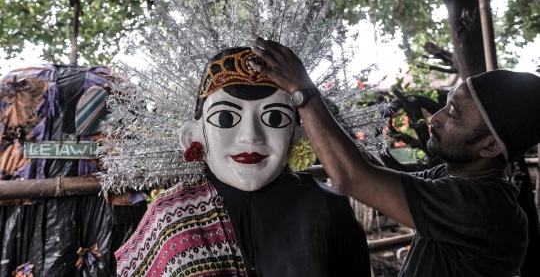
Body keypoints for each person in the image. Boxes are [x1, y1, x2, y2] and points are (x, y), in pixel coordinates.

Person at [249, 37, 540, 277]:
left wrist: (303, 91)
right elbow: (381, 179)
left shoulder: (483, 208)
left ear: (489, 147)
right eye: (446, 104)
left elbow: (355, 179)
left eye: (454, 115)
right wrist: (329, 118)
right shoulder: (450, 176)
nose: (434, 118)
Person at [115, 47, 372, 277]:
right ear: (193, 136)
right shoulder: (170, 214)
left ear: (299, 135)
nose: (251, 136)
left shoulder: (328, 207)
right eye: (226, 117)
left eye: (274, 118)